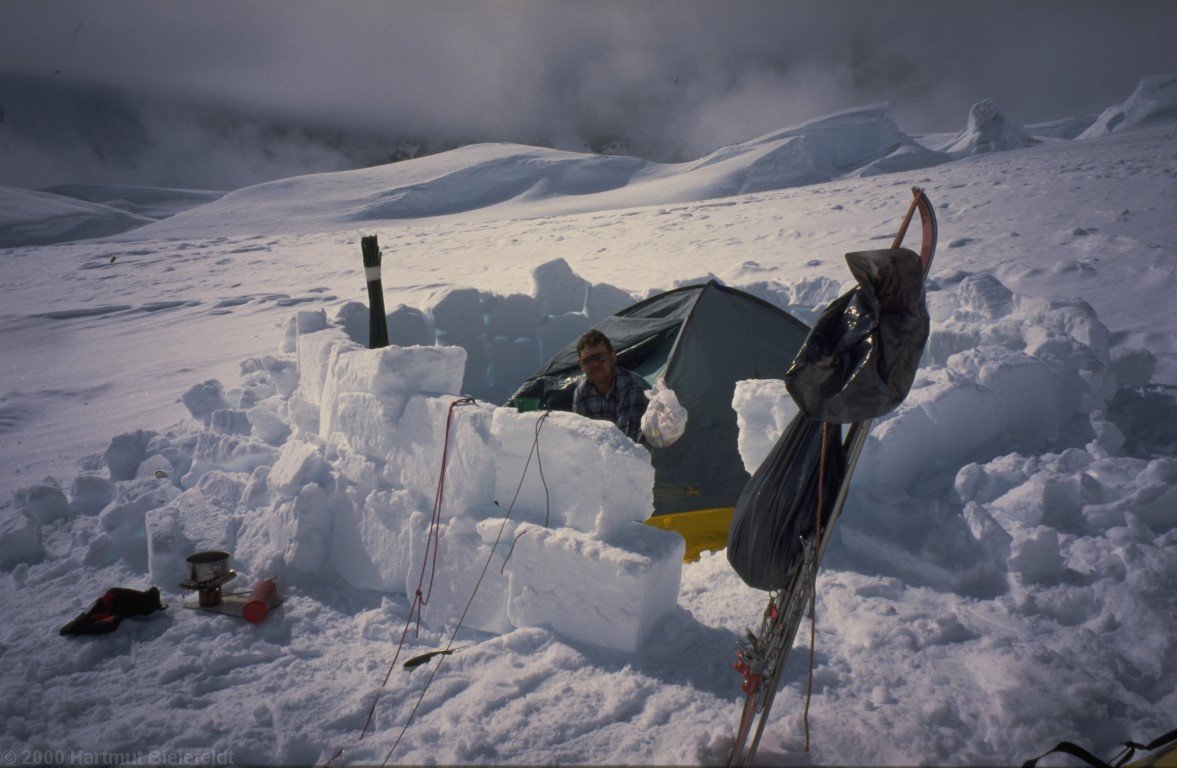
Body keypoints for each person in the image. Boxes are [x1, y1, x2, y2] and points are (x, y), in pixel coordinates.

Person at [572, 329, 648, 442]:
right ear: (581, 366)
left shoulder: (631, 386)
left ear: (612, 357)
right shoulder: (582, 392)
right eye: (587, 361)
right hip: (601, 454)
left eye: (600, 357)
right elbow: (579, 437)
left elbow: (628, 443)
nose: (594, 364)